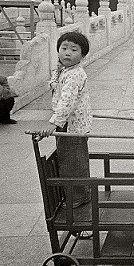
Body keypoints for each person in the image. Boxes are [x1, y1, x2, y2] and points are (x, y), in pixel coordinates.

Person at [35, 32, 92, 208]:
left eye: (74, 50)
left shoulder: (74, 74)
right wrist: (58, 69)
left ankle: (78, 196)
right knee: (70, 159)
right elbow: (54, 84)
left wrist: (53, 123)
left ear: (82, 56)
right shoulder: (66, 70)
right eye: (63, 48)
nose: (67, 53)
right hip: (69, 124)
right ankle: (80, 193)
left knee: (72, 163)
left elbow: (67, 101)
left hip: (72, 126)